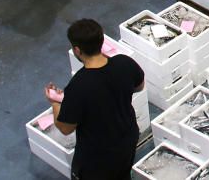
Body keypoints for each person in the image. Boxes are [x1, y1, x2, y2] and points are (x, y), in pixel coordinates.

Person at [48, 19, 145, 179]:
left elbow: (66, 128)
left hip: (98, 158)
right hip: (127, 140)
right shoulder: (124, 63)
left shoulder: (78, 85)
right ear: (101, 41)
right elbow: (139, 86)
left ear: (77, 50)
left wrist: (55, 102)